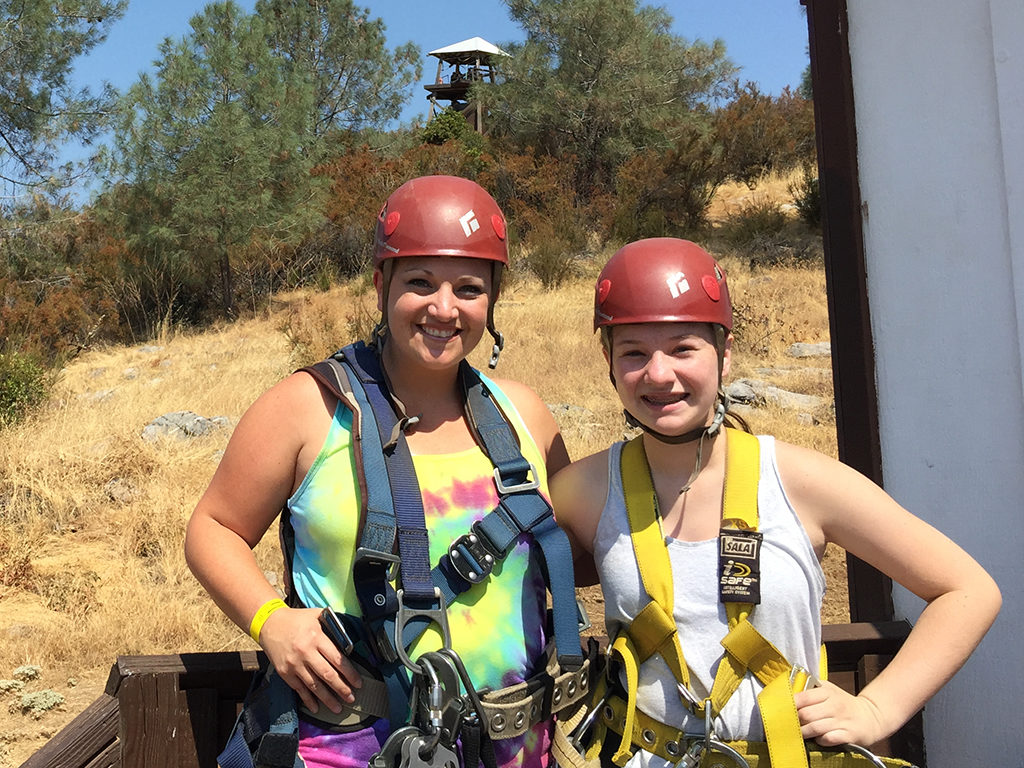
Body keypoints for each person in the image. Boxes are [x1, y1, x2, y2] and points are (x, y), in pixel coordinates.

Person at [184, 175, 588, 768]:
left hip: (516, 750)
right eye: (420, 282)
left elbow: (577, 549)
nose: (444, 308)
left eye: (469, 289)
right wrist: (271, 622)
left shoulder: (524, 416)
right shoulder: (308, 408)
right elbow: (213, 527)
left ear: (492, 299)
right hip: (345, 749)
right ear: (381, 285)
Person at [551, 238, 1001, 767]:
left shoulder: (799, 481)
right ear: (608, 360)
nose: (658, 374)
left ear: (724, 352)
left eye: (683, 348)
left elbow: (967, 590)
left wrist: (877, 708)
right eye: (633, 352)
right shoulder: (584, 490)